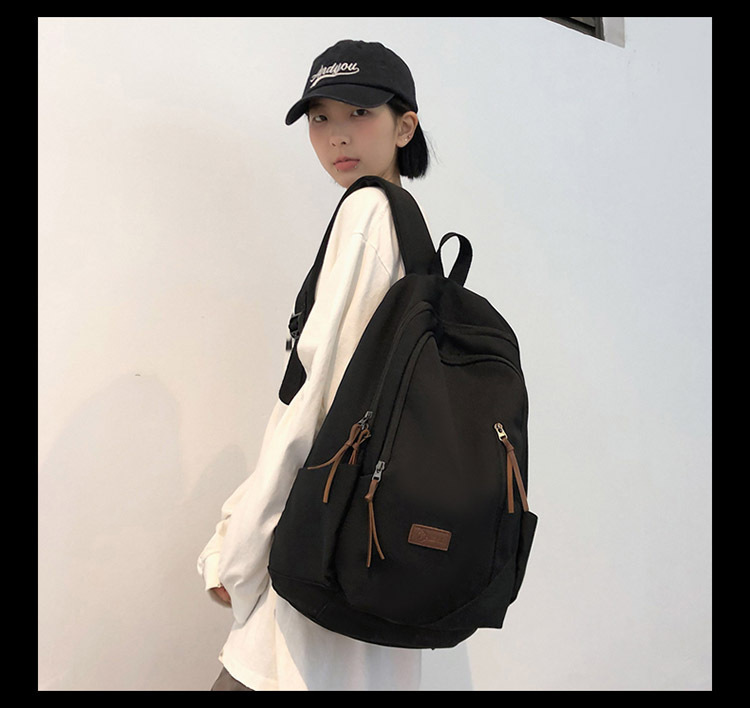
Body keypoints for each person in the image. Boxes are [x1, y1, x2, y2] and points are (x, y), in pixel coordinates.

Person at [198, 39, 432, 691]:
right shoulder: (411, 231)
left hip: (312, 575)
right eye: (320, 117)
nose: (336, 136)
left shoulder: (364, 215)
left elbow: (317, 405)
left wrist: (240, 552)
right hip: (375, 570)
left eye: (359, 113)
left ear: (405, 126)